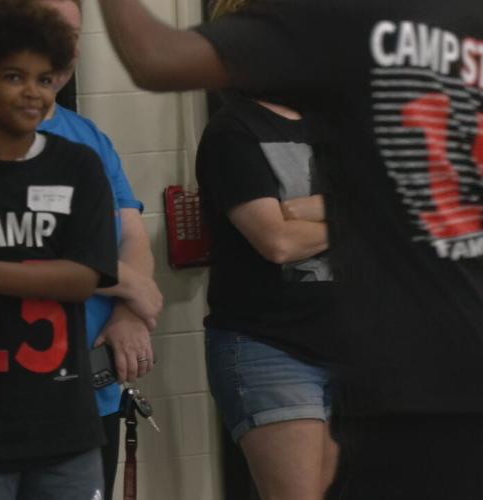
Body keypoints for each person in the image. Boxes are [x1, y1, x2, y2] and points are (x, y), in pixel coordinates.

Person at [98, 0, 483, 497]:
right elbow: (277, 240)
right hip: (283, 345)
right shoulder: (239, 128)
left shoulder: (360, 93)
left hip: (395, 345)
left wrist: (321, 209)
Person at [0, 0, 160, 496]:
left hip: (79, 394)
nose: (64, 48)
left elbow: (127, 236)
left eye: (73, 35)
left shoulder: (83, 147)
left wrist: (127, 310)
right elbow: (21, 248)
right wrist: (123, 280)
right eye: (53, 31)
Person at [198, 88, 339, 499]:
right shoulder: (233, 131)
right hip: (272, 344)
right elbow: (278, 241)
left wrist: (312, 210)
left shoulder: (340, 123)